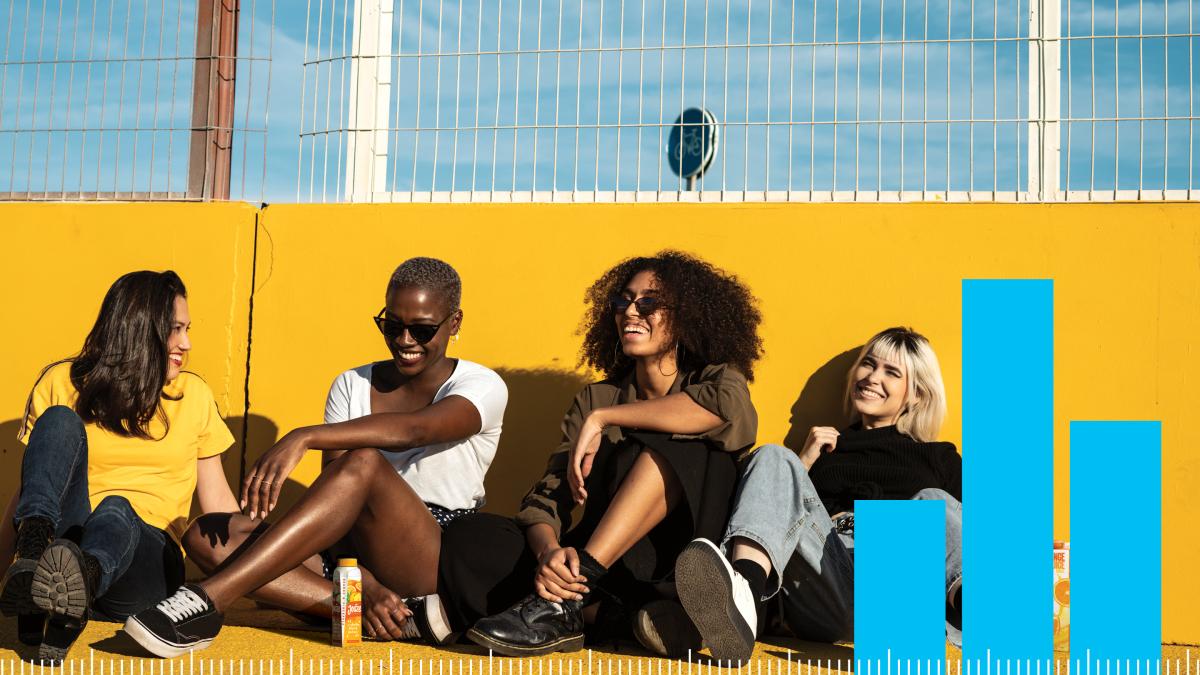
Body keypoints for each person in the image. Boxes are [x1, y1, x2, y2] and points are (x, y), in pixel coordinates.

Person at [122, 257, 508, 658]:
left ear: (455, 322)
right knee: (206, 534)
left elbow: (417, 429)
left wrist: (305, 437)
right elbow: (338, 511)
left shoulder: (481, 385)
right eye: (392, 325)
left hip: (432, 553)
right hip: (351, 555)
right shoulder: (351, 384)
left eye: (422, 329)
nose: (405, 339)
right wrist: (359, 577)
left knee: (363, 461)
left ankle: (207, 602)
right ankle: (380, 614)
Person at [437, 250, 763, 657]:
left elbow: (730, 414)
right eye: (623, 300)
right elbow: (547, 498)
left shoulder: (714, 379)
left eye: (648, 303)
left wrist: (604, 419)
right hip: (604, 569)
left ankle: (569, 605)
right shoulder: (597, 395)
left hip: (679, 559)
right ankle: (600, 611)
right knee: (472, 535)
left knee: (677, 444)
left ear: (686, 316)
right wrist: (550, 554)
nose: (630, 311)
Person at [672, 327, 963, 662]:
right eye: (868, 364)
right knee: (773, 456)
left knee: (931, 502)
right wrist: (805, 461)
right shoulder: (824, 447)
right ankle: (743, 601)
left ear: (916, 394)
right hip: (828, 583)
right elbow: (781, 520)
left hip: (895, 590)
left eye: (891, 372)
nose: (871, 377)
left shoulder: (937, 457)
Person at [0, 270, 239, 663]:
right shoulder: (62, 381)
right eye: (175, 329)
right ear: (140, 330)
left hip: (144, 570)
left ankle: (79, 589)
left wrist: (252, 576)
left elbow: (219, 510)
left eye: (187, 329)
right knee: (58, 420)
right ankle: (34, 569)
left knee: (116, 510)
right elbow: (34, 486)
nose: (187, 343)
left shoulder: (193, 396)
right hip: (64, 552)